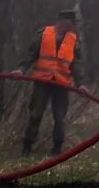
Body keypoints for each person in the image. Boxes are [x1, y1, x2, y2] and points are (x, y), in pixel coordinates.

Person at [21, 8, 80, 155]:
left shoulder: (73, 40)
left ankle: (57, 148)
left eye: (70, 24)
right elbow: (30, 54)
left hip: (61, 84)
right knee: (35, 114)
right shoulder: (44, 34)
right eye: (65, 23)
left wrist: (81, 83)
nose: (67, 26)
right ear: (59, 22)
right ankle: (27, 146)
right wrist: (21, 69)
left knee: (59, 117)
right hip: (42, 81)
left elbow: (76, 64)